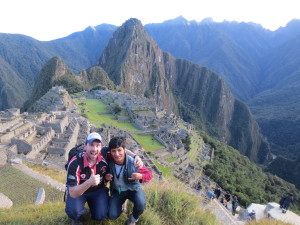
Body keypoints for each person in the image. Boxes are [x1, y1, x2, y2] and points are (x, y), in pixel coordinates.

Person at [65, 133, 144, 224]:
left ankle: (94, 210)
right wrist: (89, 182)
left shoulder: (104, 153)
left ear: (101, 147)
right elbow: (73, 193)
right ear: (85, 146)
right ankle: (77, 219)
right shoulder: (75, 162)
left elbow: (121, 149)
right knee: (73, 212)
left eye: (97, 145)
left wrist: (135, 156)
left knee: (100, 215)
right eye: (91, 145)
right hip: (79, 191)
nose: (94, 149)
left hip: (98, 190)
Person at [105, 136, 153, 225]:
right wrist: (106, 177)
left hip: (133, 189)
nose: (116, 154)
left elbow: (149, 175)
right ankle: (121, 206)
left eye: (119, 150)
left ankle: (133, 220)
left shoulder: (133, 162)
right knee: (112, 215)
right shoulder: (109, 160)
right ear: (110, 152)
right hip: (118, 191)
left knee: (141, 204)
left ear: (124, 150)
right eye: (113, 151)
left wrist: (140, 176)